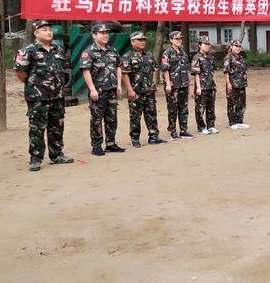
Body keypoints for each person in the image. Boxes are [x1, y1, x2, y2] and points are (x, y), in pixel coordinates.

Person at [13, 20, 74, 171]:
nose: (49, 32)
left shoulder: (58, 50)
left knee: (57, 127)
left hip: (57, 96)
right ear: (36, 33)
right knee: (37, 129)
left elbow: (63, 70)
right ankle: (36, 158)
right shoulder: (29, 50)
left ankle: (57, 154)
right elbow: (20, 72)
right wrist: (32, 85)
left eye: (50, 30)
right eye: (44, 30)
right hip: (38, 97)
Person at [81, 22, 125, 156]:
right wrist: (92, 89)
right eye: (102, 33)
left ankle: (111, 143)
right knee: (96, 119)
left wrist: (118, 85)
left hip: (111, 90)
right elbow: (86, 72)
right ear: (94, 35)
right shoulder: (89, 52)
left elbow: (118, 66)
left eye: (107, 33)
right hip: (98, 91)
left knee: (112, 118)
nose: (106, 35)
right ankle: (96, 145)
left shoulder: (112, 50)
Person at [121, 31, 166, 148]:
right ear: (132, 42)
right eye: (139, 40)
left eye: (144, 40)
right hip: (136, 91)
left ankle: (154, 136)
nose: (143, 42)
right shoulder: (127, 56)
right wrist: (130, 90)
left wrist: (154, 84)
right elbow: (125, 74)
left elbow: (155, 68)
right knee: (135, 116)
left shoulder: (149, 55)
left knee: (151, 114)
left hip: (149, 90)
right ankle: (135, 138)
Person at [161, 30, 193, 139]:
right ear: (171, 40)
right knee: (172, 109)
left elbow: (186, 69)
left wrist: (188, 84)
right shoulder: (167, 53)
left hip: (183, 84)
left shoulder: (183, 53)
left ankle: (183, 130)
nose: (179, 40)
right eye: (176, 39)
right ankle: (173, 130)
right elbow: (165, 69)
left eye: (180, 38)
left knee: (184, 108)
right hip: (173, 85)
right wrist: (168, 84)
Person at [191, 36, 218, 135]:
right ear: (199, 45)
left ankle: (211, 125)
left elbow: (213, 72)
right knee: (200, 108)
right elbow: (196, 74)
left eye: (208, 44)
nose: (207, 46)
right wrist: (198, 87)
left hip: (211, 86)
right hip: (202, 86)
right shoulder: (196, 57)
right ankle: (201, 127)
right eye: (204, 44)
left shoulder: (211, 57)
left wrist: (215, 85)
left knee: (211, 107)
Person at [223, 39, 250, 130]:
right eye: (236, 46)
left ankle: (239, 121)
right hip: (233, 84)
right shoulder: (229, 58)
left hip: (241, 84)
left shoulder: (241, 58)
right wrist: (228, 84)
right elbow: (226, 71)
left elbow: (244, 71)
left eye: (239, 46)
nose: (238, 48)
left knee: (241, 103)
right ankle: (232, 122)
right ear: (231, 47)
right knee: (232, 103)